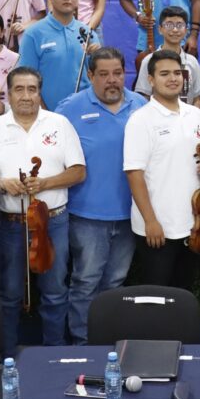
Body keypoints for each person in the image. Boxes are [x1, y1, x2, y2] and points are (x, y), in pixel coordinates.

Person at [0, 67, 85, 351]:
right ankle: (8, 356)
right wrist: (2, 184)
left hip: (52, 222)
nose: (26, 96)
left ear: (40, 93)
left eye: (32, 89)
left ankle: (54, 353)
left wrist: (46, 183)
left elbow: (78, 172)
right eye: (19, 89)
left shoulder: (60, 123)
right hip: (10, 223)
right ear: (9, 94)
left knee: (54, 291)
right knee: (10, 294)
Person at [55, 47, 147, 344]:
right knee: (85, 282)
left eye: (118, 73)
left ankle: (108, 343)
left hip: (129, 215)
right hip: (87, 216)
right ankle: (82, 344)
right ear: (90, 76)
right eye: (104, 74)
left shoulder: (142, 106)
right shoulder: (69, 108)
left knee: (115, 283)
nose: (112, 81)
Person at [124, 50, 200, 288]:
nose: (172, 78)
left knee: (183, 294)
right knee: (157, 298)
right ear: (151, 80)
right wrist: (150, 221)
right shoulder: (140, 120)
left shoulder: (196, 115)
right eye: (164, 74)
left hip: (193, 225)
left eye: (177, 73)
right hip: (158, 228)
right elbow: (134, 174)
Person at [19, 0, 96, 111]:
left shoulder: (88, 33)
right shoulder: (33, 34)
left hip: (84, 112)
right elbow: (27, 80)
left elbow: (97, 78)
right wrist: (44, 113)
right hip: (46, 114)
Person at [133, 6, 200, 109]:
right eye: (169, 25)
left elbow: (197, 99)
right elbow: (144, 97)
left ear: (186, 30)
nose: (174, 30)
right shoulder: (149, 60)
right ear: (160, 29)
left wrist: (194, 120)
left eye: (179, 25)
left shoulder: (192, 61)